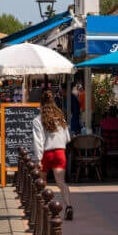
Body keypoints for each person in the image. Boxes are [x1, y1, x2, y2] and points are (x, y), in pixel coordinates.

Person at [33, 90, 73, 220]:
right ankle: (68, 206)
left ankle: (44, 209)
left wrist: (38, 159)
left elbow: (38, 141)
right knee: (61, 182)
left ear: (41, 103)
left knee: (42, 182)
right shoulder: (60, 118)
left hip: (47, 153)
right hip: (60, 152)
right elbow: (67, 138)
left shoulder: (38, 119)